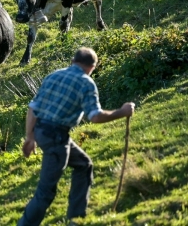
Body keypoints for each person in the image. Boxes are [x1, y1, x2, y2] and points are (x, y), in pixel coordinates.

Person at [18, 47, 135, 226]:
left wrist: (30, 137)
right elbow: (95, 116)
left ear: (73, 61)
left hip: (41, 131)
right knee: (45, 192)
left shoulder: (54, 75)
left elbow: (33, 109)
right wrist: (122, 112)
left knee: (84, 164)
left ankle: (76, 219)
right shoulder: (86, 83)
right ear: (92, 67)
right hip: (56, 137)